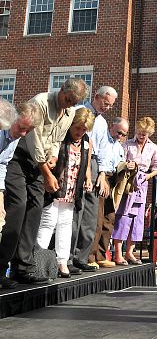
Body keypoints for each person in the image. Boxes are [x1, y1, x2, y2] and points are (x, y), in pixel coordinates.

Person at [0, 78, 88, 284]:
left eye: (74, 103)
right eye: (68, 99)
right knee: (18, 207)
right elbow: (33, 139)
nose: (69, 105)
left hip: (40, 164)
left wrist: (54, 157)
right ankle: (1, 266)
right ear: (61, 90)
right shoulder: (40, 102)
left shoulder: (68, 114)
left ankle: (23, 266)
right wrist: (47, 172)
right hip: (19, 158)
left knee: (35, 210)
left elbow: (56, 140)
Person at [36, 108, 95, 278]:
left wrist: (88, 179)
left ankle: (62, 261)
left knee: (66, 224)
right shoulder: (61, 137)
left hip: (72, 189)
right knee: (48, 222)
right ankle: (38, 260)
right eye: (78, 128)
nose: (80, 132)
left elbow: (87, 162)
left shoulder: (86, 141)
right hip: (56, 187)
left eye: (84, 129)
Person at [71, 86, 118, 272]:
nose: (107, 107)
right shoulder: (78, 112)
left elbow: (104, 149)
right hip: (78, 157)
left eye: (110, 105)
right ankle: (69, 257)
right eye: (105, 103)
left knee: (91, 213)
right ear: (96, 97)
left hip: (95, 163)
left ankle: (83, 256)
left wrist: (102, 174)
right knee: (76, 209)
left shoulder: (102, 123)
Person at [0, 102, 41, 289]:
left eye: (28, 131)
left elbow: (2, 164)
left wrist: (1, 194)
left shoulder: (14, 137)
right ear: (13, 119)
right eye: (21, 128)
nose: (23, 134)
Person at [112, 116, 157, 266]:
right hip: (127, 182)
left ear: (150, 133)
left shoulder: (153, 147)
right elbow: (118, 162)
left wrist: (148, 175)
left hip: (142, 183)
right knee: (123, 216)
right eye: (140, 132)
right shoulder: (127, 144)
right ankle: (118, 252)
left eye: (145, 133)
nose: (141, 136)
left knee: (137, 220)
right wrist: (127, 165)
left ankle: (130, 252)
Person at [88, 117, 129, 268]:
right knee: (97, 220)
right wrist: (103, 177)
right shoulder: (103, 139)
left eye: (124, 134)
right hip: (101, 177)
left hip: (113, 180)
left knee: (109, 219)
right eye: (119, 132)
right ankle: (90, 257)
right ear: (112, 126)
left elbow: (118, 164)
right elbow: (99, 159)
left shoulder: (118, 146)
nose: (120, 136)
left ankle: (100, 255)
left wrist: (127, 166)